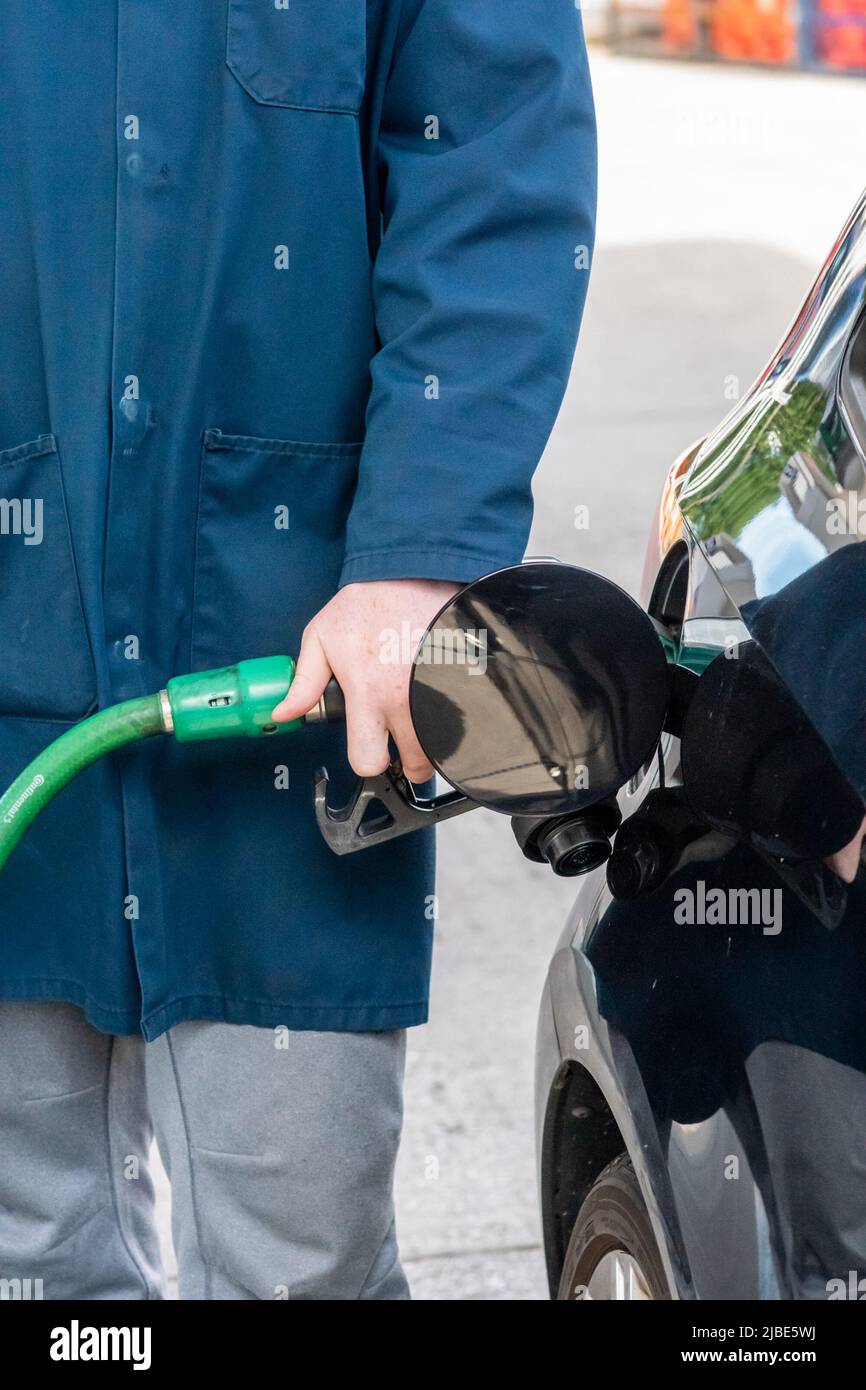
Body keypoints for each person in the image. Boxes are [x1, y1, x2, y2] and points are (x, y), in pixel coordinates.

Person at [0, 2, 596, 1299]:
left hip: (298, 676)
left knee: (294, 1256)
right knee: (21, 1255)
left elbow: (490, 159)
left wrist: (420, 544)